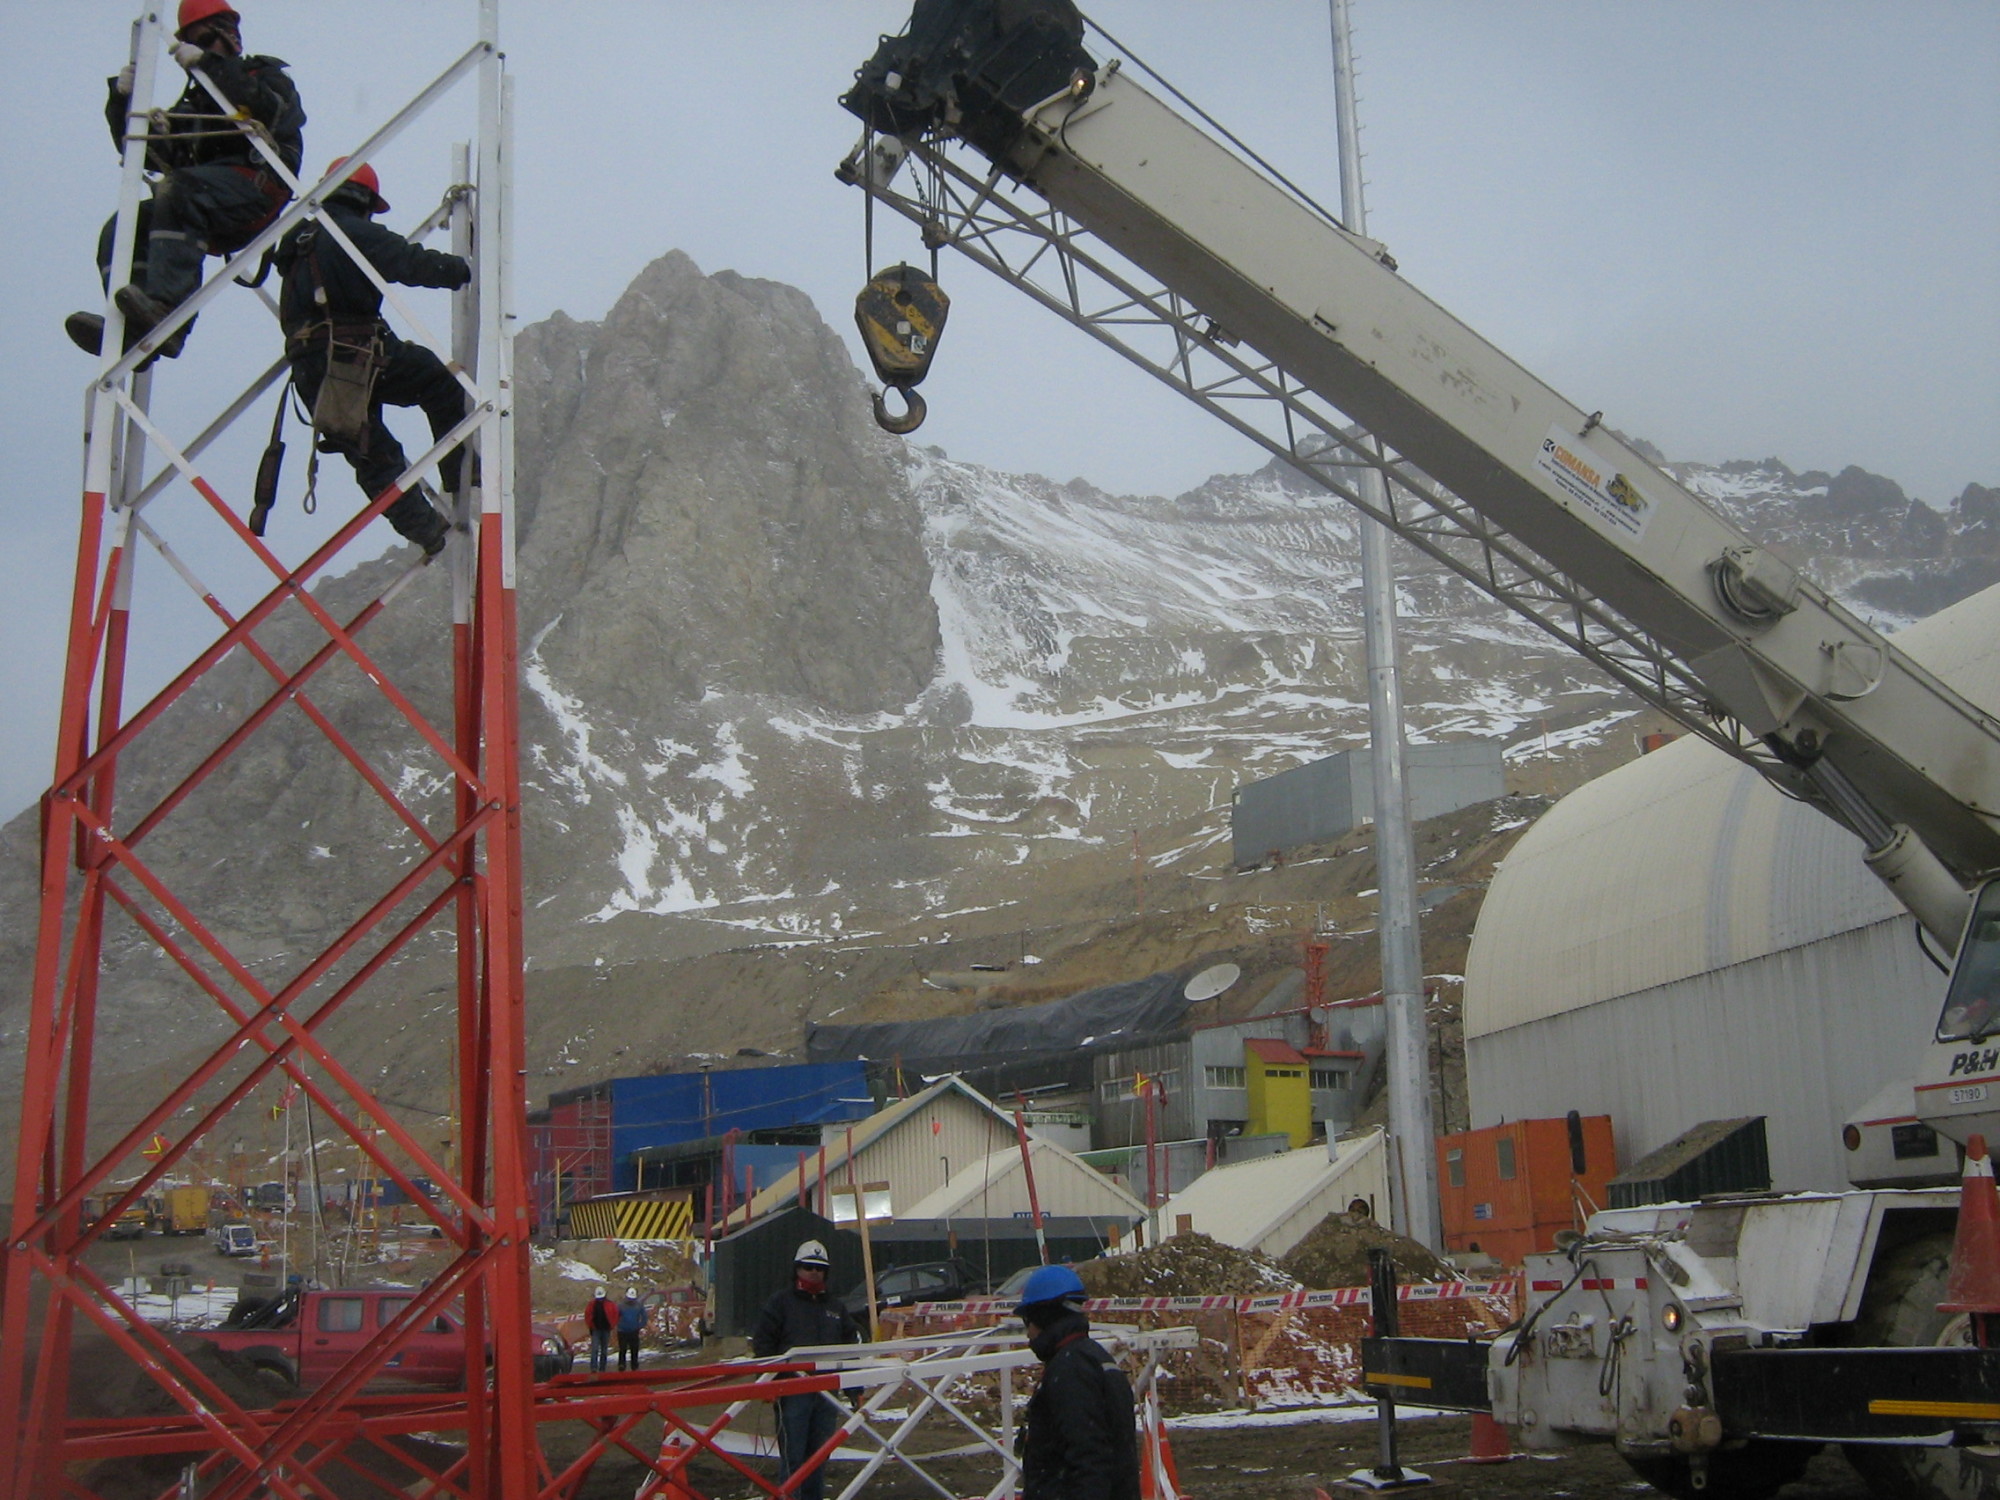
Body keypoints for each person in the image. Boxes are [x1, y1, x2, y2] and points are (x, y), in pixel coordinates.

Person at [68, 0, 306, 360]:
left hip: (255, 191)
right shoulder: (196, 104)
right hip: (204, 204)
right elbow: (143, 154)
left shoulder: (264, 77)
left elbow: (273, 111)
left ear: (231, 36)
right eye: (198, 41)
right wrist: (121, 102)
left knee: (180, 188)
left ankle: (166, 313)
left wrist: (210, 67)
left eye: (209, 38)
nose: (205, 46)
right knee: (125, 225)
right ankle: (134, 330)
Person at [271, 158, 472, 557]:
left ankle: (423, 526)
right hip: (354, 354)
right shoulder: (351, 233)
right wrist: (461, 270)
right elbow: (410, 263)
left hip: (312, 368)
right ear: (363, 198)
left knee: (370, 450)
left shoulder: (295, 242)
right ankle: (464, 477)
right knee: (440, 382)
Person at [1014, 1264, 1139, 1500]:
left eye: (1027, 1321)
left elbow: (1089, 1458)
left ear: (1043, 1316)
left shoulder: (1070, 1370)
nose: (1028, 1332)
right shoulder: (1096, 1359)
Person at [751, 1240, 862, 1500]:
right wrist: (766, 1381)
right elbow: (764, 1344)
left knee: (820, 1456)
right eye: (808, 1267)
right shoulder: (780, 1303)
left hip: (827, 1394)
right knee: (793, 1457)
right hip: (793, 1392)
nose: (814, 1272)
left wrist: (855, 1388)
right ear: (797, 1269)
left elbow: (849, 1348)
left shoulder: (835, 1308)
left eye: (820, 1268)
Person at [583, 1284, 617, 1375]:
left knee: (604, 1350)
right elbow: (587, 1316)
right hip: (596, 1330)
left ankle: (602, 1368)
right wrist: (591, 1326)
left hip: (606, 1330)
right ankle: (593, 1368)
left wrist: (612, 1326)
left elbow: (615, 1315)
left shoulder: (610, 1304)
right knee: (595, 1349)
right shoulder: (591, 1305)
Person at [616, 1286, 649, 1372]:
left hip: (633, 1331)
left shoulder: (638, 1306)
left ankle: (634, 1366)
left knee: (634, 1349)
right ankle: (622, 1365)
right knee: (622, 1349)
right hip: (622, 1331)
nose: (631, 1301)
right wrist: (618, 1325)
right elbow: (615, 1316)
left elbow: (644, 1317)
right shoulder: (621, 1306)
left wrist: (640, 1325)